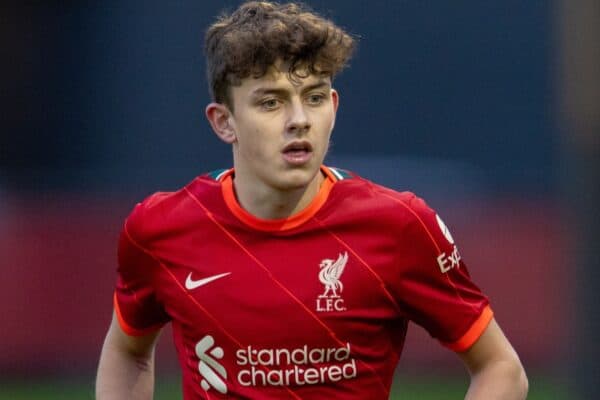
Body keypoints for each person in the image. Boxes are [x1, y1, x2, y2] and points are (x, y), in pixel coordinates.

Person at [96, 2, 528, 399]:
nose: (299, 120)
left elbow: (500, 368)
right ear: (224, 122)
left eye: (315, 98)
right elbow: (127, 351)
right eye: (271, 102)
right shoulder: (159, 228)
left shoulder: (399, 225)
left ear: (334, 107)